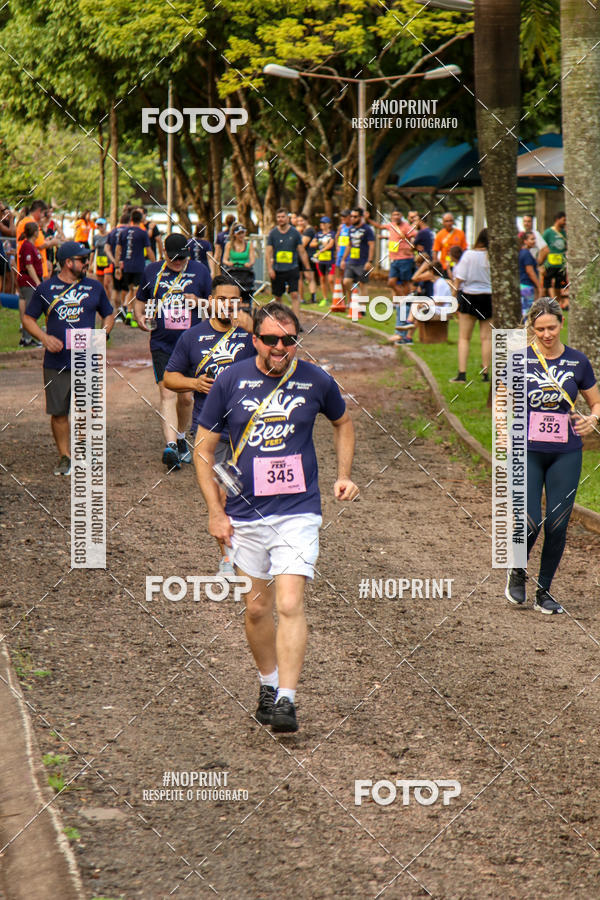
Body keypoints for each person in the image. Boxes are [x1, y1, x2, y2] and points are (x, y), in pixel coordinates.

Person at [194, 302, 359, 732]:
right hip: (244, 511)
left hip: (298, 510)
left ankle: (286, 699)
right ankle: (268, 683)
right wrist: (215, 512)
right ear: (256, 341)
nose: (280, 346)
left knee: (288, 602)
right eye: (271, 339)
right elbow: (203, 450)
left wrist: (343, 475)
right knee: (256, 608)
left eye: (288, 339)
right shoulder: (231, 380)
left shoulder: (316, 379)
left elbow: (343, 422)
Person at [504, 297, 600, 614]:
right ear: (532, 327)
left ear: (562, 324)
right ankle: (518, 570)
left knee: (558, 524)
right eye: (540, 328)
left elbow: (596, 402)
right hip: (527, 451)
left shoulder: (577, 362)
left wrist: (593, 418)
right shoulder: (518, 359)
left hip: (566, 452)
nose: (546, 334)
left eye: (552, 327)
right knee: (530, 520)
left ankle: (544, 591)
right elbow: (501, 401)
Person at [163, 274, 255, 575]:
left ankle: (253, 552)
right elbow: (170, 378)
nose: (229, 305)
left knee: (246, 493)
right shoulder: (191, 336)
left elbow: (280, 360)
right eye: (222, 300)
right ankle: (228, 557)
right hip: (212, 431)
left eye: (234, 300)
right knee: (221, 496)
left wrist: (255, 330)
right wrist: (194, 382)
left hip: (250, 429)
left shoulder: (250, 334)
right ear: (211, 301)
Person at [22, 241, 114, 475]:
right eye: (82, 260)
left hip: (87, 360)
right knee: (59, 411)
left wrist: (103, 334)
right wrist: (44, 338)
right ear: (68, 263)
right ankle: (65, 456)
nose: (86, 263)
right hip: (56, 361)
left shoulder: (94, 287)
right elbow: (28, 319)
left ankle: (84, 452)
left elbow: (109, 314)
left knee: (88, 410)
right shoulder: (46, 289)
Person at [133, 232, 211, 469]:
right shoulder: (152, 271)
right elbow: (140, 300)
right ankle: (171, 448)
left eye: (182, 259)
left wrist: (198, 302)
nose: (178, 263)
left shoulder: (200, 271)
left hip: (192, 344)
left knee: (186, 398)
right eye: (174, 259)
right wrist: (139, 318)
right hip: (162, 343)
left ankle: (180, 438)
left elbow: (215, 302)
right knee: (167, 392)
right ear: (164, 253)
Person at [448, 228, 492, 384]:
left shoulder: (468, 255)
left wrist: (452, 301)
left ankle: (462, 374)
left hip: (469, 297)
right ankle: (486, 374)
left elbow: (458, 280)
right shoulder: (493, 256)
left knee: (464, 338)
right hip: (489, 298)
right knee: (486, 338)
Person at [371, 210, 415, 330]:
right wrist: (367, 219)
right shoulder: (391, 225)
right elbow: (379, 226)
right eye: (394, 214)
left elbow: (414, 236)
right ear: (391, 217)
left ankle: (405, 302)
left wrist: (411, 248)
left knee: (406, 282)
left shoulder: (406, 226)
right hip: (394, 259)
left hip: (405, 259)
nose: (396, 216)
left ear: (402, 216)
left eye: (398, 214)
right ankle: (403, 300)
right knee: (391, 282)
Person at [266, 208, 310, 319]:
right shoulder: (273, 233)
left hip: (292, 268)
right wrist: (270, 269)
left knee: (294, 294)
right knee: (277, 296)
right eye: (278, 217)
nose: (280, 219)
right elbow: (268, 253)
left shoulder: (295, 233)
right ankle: (279, 319)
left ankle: (296, 321)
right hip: (277, 269)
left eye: (282, 217)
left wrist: (307, 269)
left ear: (287, 218)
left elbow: (302, 251)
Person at [115, 208, 155, 325]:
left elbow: (118, 250)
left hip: (126, 266)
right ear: (141, 220)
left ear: (131, 219)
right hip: (138, 266)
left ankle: (128, 312)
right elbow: (149, 250)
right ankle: (134, 318)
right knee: (137, 292)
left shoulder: (123, 232)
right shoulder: (142, 233)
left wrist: (117, 266)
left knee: (130, 290)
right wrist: (155, 264)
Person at [16, 200, 60, 279]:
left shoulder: (29, 222)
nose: (44, 216)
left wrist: (47, 240)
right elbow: (40, 245)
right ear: (39, 211)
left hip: (36, 270)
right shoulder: (29, 223)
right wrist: (53, 242)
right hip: (31, 272)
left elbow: (36, 243)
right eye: (44, 213)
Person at [341, 207, 375, 309]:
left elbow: (372, 245)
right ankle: (352, 300)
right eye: (351, 216)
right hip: (352, 261)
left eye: (355, 217)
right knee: (346, 282)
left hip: (363, 261)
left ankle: (363, 306)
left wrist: (369, 261)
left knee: (362, 284)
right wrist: (343, 259)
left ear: (361, 217)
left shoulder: (367, 229)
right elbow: (349, 245)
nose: (352, 218)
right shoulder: (351, 229)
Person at [17, 221, 43, 347]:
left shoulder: (29, 245)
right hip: (28, 281)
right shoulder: (28, 246)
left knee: (25, 308)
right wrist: (37, 282)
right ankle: (27, 338)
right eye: (38, 230)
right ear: (35, 232)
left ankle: (25, 338)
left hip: (26, 280)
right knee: (29, 309)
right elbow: (29, 265)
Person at [539, 211, 567, 309]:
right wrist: (541, 263)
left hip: (561, 265)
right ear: (557, 220)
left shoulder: (564, 233)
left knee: (561, 284)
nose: (565, 223)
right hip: (549, 264)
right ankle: (552, 302)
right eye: (563, 220)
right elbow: (542, 247)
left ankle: (559, 301)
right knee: (548, 283)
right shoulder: (548, 232)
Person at [295, 213, 318, 304]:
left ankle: (313, 298)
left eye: (301, 221)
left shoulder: (309, 230)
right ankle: (301, 298)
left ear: (306, 220)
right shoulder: (302, 230)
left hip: (308, 256)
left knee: (309, 277)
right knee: (299, 277)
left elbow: (302, 244)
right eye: (298, 221)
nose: (300, 223)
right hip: (300, 256)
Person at [519, 231, 541, 321]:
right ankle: (524, 331)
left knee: (524, 310)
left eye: (534, 239)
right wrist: (539, 286)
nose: (534, 241)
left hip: (522, 284)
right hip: (527, 286)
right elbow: (530, 271)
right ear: (525, 241)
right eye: (531, 239)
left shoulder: (522, 252)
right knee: (526, 311)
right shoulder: (526, 254)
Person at [314, 217, 336, 305]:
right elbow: (312, 243)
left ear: (329, 224)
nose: (322, 224)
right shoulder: (318, 234)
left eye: (324, 223)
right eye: (321, 223)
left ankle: (336, 298)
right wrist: (320, 243)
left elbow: (331, 244)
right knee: (322, 279)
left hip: (330, 260)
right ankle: (325, 299)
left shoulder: (332, 234)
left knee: (331, 279)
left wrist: (322, 250)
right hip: (320, 261)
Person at [92, 218, 113, 300]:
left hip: (108, 262)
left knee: (107, 284)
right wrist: (90, 264)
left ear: (106, 225)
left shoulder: (110, 235)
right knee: (100, 285)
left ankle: (108, 301)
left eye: (101, 224)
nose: (100, 226)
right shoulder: (95, 237)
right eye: (98, 225)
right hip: (99, 262)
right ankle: (101, 302)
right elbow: (93, 251)